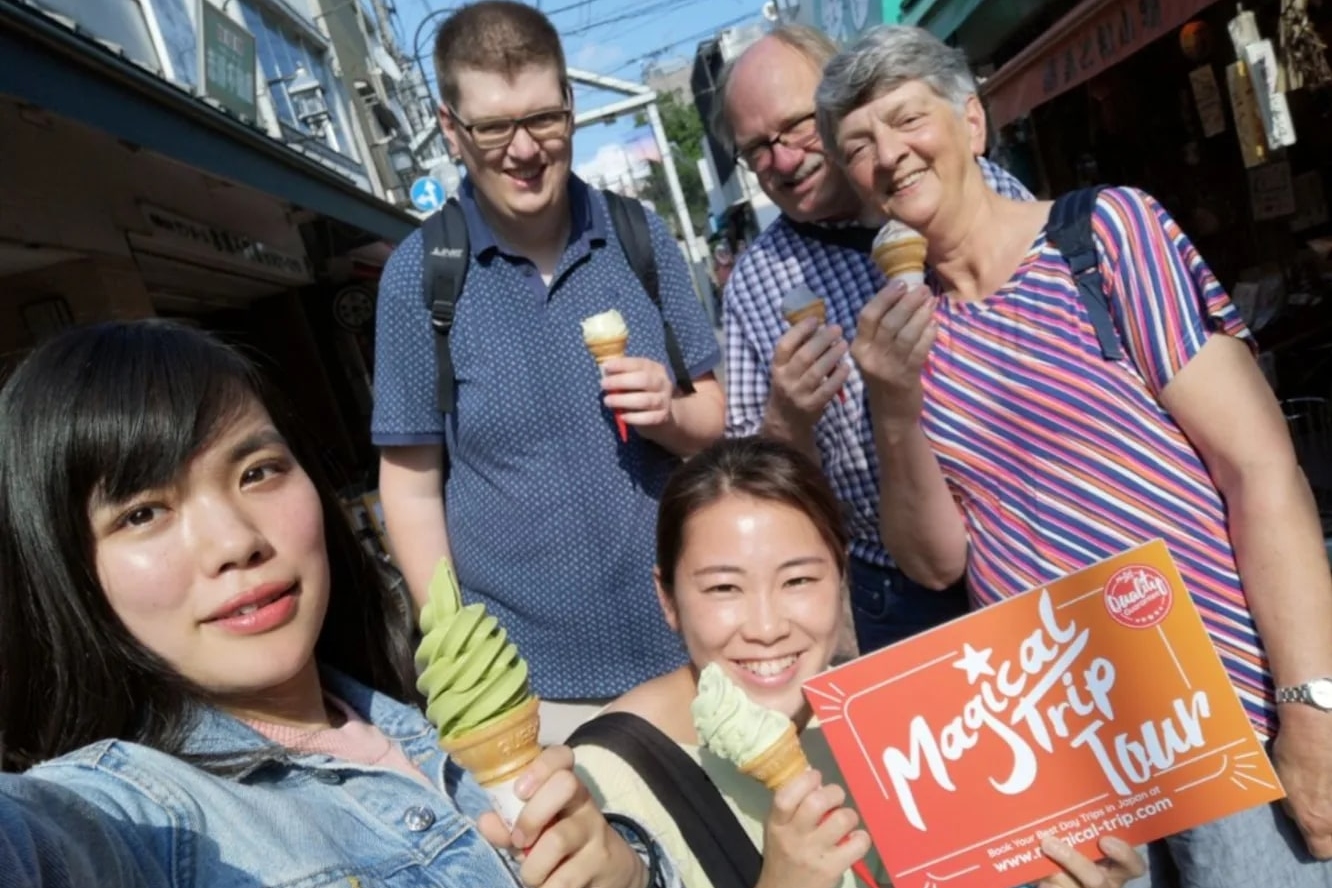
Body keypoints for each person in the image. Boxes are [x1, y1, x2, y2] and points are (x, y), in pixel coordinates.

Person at [815, 24, 1332, 886]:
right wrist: (893, 401)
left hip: (1225, 715)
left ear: (972, 123)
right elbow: (937, 559)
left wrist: (1312, 704)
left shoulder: (1104, 235)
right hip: (1069, 762)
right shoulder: (898, 339)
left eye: (907, 120)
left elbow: (1260, 470)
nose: (888, 156)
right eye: (858, 145)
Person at [0, 320, 680, 888]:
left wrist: (628, 868)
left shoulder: (424, 724)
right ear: (67, 571)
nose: (236, 542)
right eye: (143, 512)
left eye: (258, 471)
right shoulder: (128, 820)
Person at [372, 1, 724, 744]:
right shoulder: (418, 278)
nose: (525, 149)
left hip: (688, 647)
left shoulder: (637, 235)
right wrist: (460, 654)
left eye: (545, 119)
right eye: (495, 127)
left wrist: (670, 412)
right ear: (450, 128)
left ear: (571, 105)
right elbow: (408, 483)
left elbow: (714, 422)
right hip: (535, 690)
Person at [572, 436, 1146, 888]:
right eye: (724, 589)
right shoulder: (602, 782)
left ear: (842, 576)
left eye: (798, 580)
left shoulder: (912, 726)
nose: (767, 627)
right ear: (668, 598)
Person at [714, 25, 1033, 654]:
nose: (781, 160)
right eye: (757, 149)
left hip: (1036, 535)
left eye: (797, 127)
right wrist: (787, 414)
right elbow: (757, 482)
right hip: (904, 592)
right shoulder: (757, 280)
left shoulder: (970, 187)